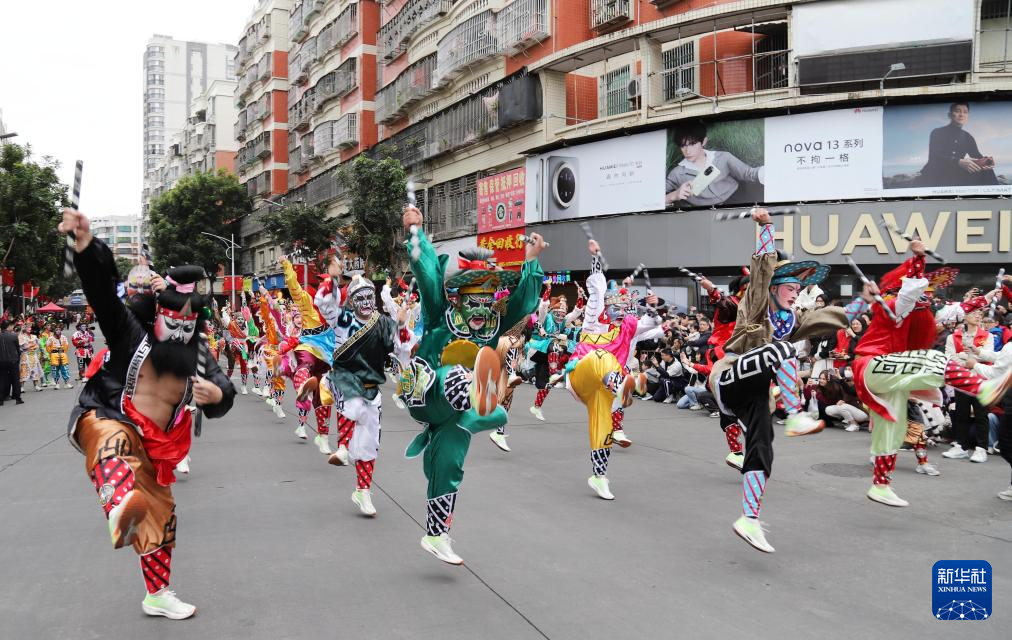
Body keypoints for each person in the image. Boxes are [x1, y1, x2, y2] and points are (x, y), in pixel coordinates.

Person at [59, 206, 235, 619]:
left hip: (156, 449)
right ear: (159, 315)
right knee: (113, 442)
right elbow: (102, 293)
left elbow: (224, 392)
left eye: (189, 325)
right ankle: (120, 503)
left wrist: (216, 395)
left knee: (162, 518)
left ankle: (157, 594)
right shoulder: (129, 332)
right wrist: (87, 246)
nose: (181, 331)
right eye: (174, 321)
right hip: (106, 415)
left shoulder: (198, 355)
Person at [398, 204, 545, 565]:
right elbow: (428, 274)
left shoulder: (494, 321)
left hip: (461, 407)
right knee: (458, 377)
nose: (481, 311)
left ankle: (436, 535)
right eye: (474, 302)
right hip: (429, 390)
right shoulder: (440, 312)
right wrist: (416, 232)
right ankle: (474, 395)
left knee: (451, 464)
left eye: (488, 302)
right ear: (459, 298)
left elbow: (525, 302)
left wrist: (531, 261)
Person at [711, 208, 859, 553]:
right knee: (783, 349)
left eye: (799, 288)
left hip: (755, 392)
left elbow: (825, 318)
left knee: (762, 445)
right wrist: (767, 227)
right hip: (731, 375)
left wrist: (863, 304)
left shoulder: (791, 318)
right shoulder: (756, 303)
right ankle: (794, 414)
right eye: (791, 287)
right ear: (774, 287)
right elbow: (763, 268)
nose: (795, 293)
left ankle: (749, 518)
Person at [851, 247, 1010, 508]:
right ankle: (984, 388)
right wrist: (918, 259)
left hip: (888, 372)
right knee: (934, 359)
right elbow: (910, 292)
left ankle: (880, 486)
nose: (929, 298)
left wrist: (985, 299)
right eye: (924, 293)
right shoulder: (893, 307)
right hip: (871, 365)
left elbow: (954, 312)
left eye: (929, 294)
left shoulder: (915, 313)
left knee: (892, 429)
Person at [318, 274, 403, 516]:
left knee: (369, 446)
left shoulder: (384, 323)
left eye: (369, 297)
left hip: (372, 389)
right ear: (352, 301)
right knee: (352, 405)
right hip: (345, 380)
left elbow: (398, 348)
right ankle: (343, 448)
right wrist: (332, 281)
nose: (365, 302)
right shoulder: (343, 320)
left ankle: (363, 492)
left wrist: (401, 325)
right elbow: (325, 304)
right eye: (360, 298)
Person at [943, 295, 1000, 463]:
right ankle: (961, 446)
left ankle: (981, 448)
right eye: (974, 312)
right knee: (961, 413)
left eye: (979, 313)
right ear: (965, 316)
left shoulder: (987, 336)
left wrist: (965, 357)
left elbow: (988, 356)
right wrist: (966, 359)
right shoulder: (953, 337)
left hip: (981, 380)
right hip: (961, 380)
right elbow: (949, 358)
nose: (978, 315)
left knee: (981, 414)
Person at [665, 120, 764, 207]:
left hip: (738, 197)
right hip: (705, 213)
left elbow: (748, 173)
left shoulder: (723, 157)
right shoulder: (676, 173)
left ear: (704, 141)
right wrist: (674, 195)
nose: (687, 151)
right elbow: (656, 200)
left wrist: (769, 170)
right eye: (683, 146)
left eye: (692, 144)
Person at [916, 102, 999, 187]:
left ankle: (997, 192)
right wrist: (958, 161)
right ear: (950, 115)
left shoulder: (968, 136)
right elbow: (934, 156)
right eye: (957, 111)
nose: (961, 115)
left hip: (956, 172)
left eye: (965, 112)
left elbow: (976, 155)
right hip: (937, 171)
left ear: (967, 116)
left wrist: (986, 162)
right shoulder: (937, 132)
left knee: (987, 170)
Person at [0, 321, 24, 405]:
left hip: (1, 361)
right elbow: (17, 349)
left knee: (2, 379)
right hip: (13, 360)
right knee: (15, 380)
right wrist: (18, 357)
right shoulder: (13, 336)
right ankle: (17, 398)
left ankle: (1, 399)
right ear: (9, 326)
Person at [18, 324, 43, 392]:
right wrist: (31, 345)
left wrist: (32, 345)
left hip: (33, 355)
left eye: (30, 327)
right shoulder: (21, 336)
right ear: (24, 328)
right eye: (28, 327)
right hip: (25, 355)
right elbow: (23, 346)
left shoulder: (34, 336)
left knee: (35, 370)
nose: (29, 328)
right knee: (24, 370)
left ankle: (36, 385)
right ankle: (21, 387)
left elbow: (38, 345)